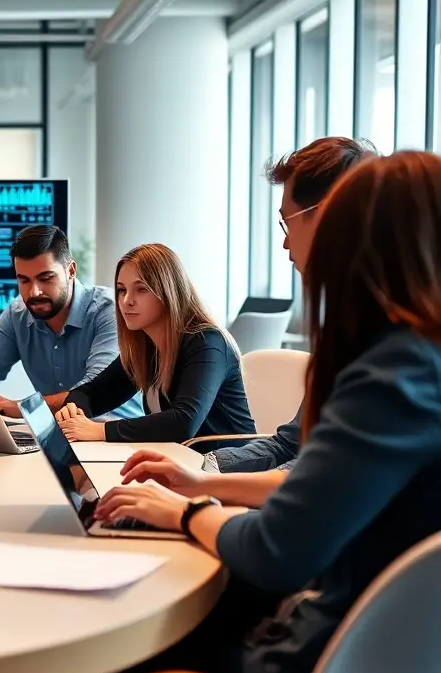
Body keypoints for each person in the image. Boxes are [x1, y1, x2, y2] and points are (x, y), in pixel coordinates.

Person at [37, 150, 441, 673]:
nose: (287, 244)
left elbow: (277, 549)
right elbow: (312, 475)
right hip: (377, 659)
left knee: (86, 652)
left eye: (291, 223)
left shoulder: (391, 375)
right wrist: (202, 484)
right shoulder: (414, 361)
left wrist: (189, 511)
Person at [127, 137, 378, 505]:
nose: (285, 245)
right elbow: (290, 446)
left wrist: (198, 501)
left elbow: (317, 484)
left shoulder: (383, 343)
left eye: (286, 223)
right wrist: (204, 471)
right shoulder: (345, 326)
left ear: (327, 217)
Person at [54, 243, 255, 443]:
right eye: (122, 290)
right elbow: (92, 393)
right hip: (178, 458)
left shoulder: (207, 343)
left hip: (227, 460)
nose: (127, 301)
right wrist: (73, 410)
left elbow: (183, 423)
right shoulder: (147, 348)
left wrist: (100, 431)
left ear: (169, 291)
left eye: (141, 289)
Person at [0, 224, 141, 419]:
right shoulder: (17, 315)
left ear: (71, 270)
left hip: (114, 430)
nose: (34, 292)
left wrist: (24, 408)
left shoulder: (111, 310)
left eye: (46, 278)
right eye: (24, 281)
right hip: (58, 432)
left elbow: (94, 390)